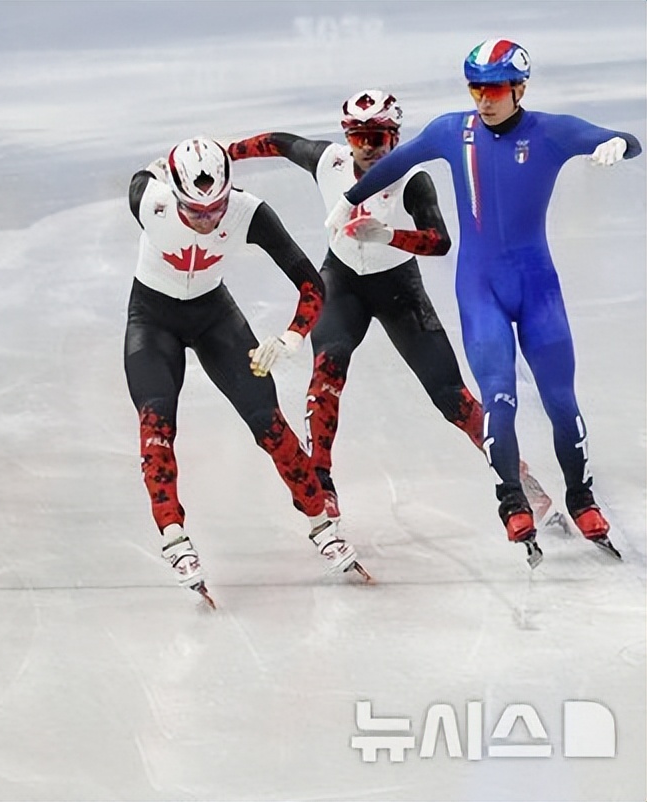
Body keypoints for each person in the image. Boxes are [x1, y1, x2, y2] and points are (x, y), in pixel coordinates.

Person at [326, 39, 640, 564]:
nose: (483, 100)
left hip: (537, 289)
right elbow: (398, 160)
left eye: (493, 90)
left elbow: (625, 140)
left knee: (561, 401)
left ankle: (581, 497)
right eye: (475, 89)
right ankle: (512, 500)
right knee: (499, 398)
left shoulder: (551, 131)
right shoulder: (453, 131)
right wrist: (349, 199)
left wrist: (617, 144)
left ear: (520, 89)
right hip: (480, 290)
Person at [225, 89, 526, 520]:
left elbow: (440, 241)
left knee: (451, 397)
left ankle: (516, 475)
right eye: (358, 137)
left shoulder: (412, 179)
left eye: (378, 138)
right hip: (342, 281)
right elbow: (279, 143)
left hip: (398, 288)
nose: (368, 147)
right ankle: (321, 480)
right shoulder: (329, 162)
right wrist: (225, 153)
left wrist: (389, 236)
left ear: (395, 137)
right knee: (326, 375)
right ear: (346, 137)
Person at [125, 136, 370, 603]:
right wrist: (156, 174)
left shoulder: (249, 213)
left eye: (216, 210)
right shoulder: (149, 200)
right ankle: (174, 537)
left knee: (269, 423)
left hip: (214, 316)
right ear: (173, 195)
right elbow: (141, 179)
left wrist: (292, 336)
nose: (207, 221)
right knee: (156, 426)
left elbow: (311, 284)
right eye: (194, 212)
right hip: (152, 320)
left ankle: (322, 524)